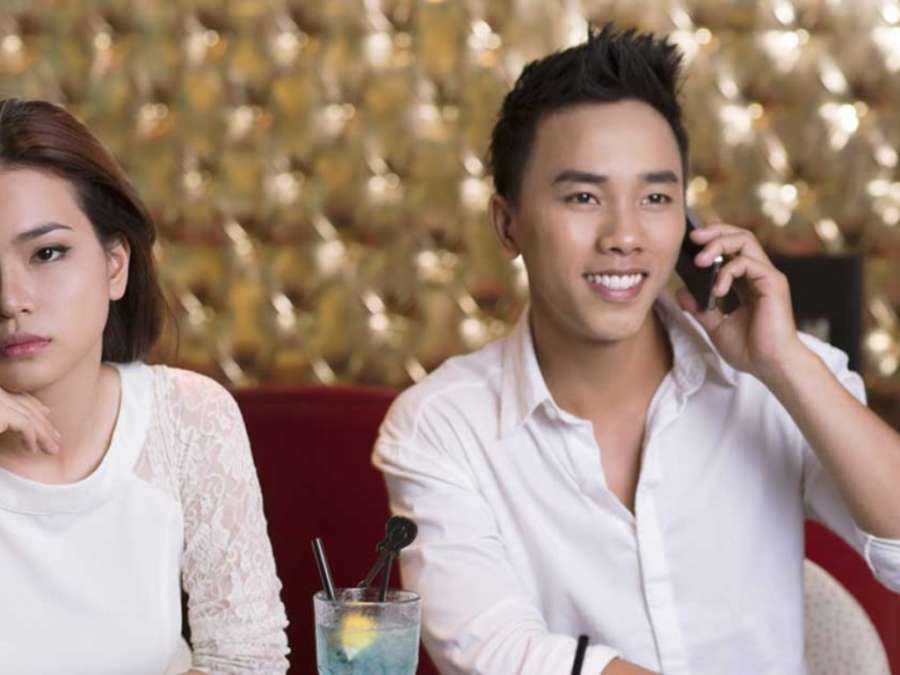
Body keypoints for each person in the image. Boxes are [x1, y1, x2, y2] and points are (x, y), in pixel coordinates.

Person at [373, 24, 900, 675]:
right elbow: (498, 651)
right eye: (583, 197)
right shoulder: (440, 425)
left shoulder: (772, 378)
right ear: (508, 226)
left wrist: (785, 365)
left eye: (655, 197)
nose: (625, 235)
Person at [0, 98, 289, 674]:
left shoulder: (187, 419)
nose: (11, 300)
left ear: (115, 265)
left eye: (48, 253)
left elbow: (246, 661)